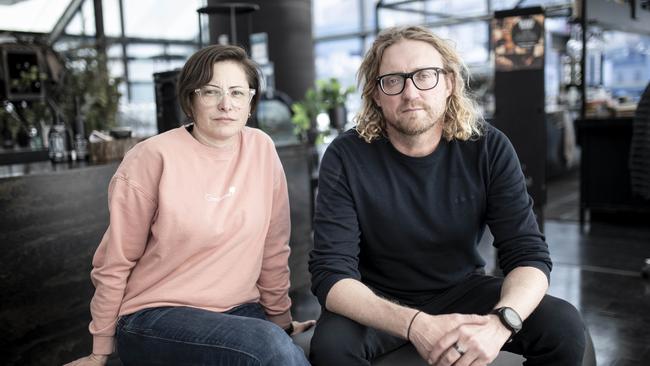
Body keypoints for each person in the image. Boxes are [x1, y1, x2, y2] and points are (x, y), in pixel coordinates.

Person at [309, 25, 586, 366]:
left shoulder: (488, 146)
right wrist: (415, 325)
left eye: (425, 75)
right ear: (376, 94)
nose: (410, 93)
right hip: (378, 299)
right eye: (393, 80)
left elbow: (528, 255)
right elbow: (331, 274)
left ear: (449, 83)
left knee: (565, 327)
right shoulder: (346, 155)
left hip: (463, 289)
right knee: (331, 349)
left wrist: (501, 322)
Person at [65, 44, 313, 366]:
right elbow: (115, 261)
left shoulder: (261, 149)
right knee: (268, 347)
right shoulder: (152, 157)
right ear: (190, 99)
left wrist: (281, 323)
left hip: (239, 310)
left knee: (279, 346)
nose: (226, 104)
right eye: (211, 92)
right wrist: (100, 350)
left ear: (250, 102)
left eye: (237, 92)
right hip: (155, 316)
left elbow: (273, 247)